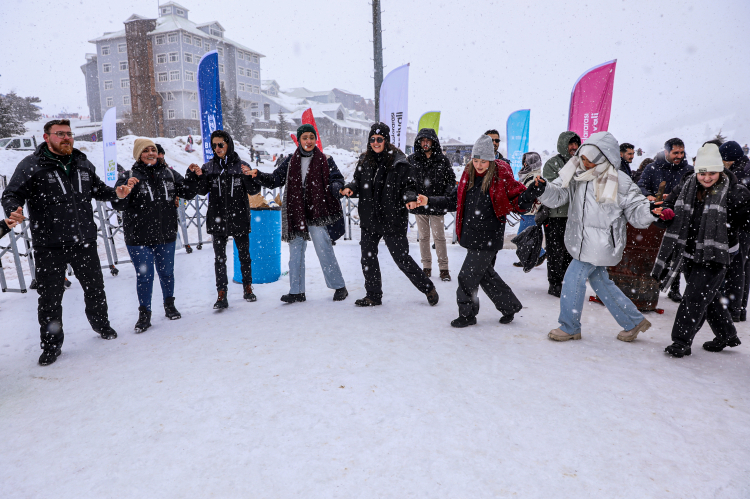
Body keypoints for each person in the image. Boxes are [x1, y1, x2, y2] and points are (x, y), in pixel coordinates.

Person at [1, 119, 136, 366]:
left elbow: (98, 190)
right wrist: (13, 208)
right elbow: (11, 193)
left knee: (95, 289)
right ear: (46, 137)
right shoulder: (31, 165)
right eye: (60, 134)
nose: (66, 138)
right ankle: (51, 345)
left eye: (69, 134)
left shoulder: (82, 163)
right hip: (49, 245)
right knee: (50, 299)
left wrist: (116, 193)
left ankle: (101, 324)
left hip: (83, 241)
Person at [527, 131, 665, 343]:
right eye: (582, 158)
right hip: (581, 239)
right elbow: (559, 195)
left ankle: (570, 326)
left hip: (602, 243)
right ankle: (633, 321)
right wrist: (544, 188)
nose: (584, 163)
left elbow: (635, 208)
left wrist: (649, 211)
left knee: (572, 279)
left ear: (603, 158)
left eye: (589, 160)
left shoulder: (620, 180)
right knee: (601, 282)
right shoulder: (577, 174)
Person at [419, 135, 530, 327]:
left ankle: (467, 314)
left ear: (491, 160)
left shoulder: (499, 178)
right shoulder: (467, 177)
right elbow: (452, 201)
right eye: (476, 160)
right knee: (486, 275)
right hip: (472, 236)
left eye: (483, 161)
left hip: (488, 238)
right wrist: (429, 200)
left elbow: (519, 201)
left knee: (466, 277)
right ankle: (509, 306)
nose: (479, 165)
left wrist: (532, 192)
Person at [653, 143, 750, 357]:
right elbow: (667, 208)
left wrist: (739, 219)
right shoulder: (686, 185)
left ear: (720, 170)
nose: (706, 178)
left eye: (712, 173)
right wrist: (665, 215)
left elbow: (746, 222)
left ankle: (680, 341)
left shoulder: (735, 192)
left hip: (719, 253)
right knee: (708, 294)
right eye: (702, 173)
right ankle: (726, 334)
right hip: (689, 250)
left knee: (694, 296)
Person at [340, 122, 438, 307]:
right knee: (367, 257)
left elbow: (409, 186)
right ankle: (373, 295)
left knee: (401, 258)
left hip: (392, 218)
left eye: (379, 139)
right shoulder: (365, 160)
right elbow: (357, 181)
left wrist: (410, 197)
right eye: (372, 139)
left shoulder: (399, 162)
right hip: (370, 218)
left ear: (386, 140)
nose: (375, 143)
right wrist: (350, 187)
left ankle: (428, 288)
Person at [250, 124, 348, 303]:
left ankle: (339, 286)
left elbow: (337, 179)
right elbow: (275, 179)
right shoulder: (290, 161)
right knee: (295, 252)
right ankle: (297, 291)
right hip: (296, 213)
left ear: (315, 139)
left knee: (324, 249)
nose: (308, 141)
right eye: (305, 138)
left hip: (317, 212)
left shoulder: (326, 159)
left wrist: (337, 188)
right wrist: (258, 175)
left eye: (311, 137)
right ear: (299, 140)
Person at [112, 139, 196, 333]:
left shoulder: (169, 174)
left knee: (167, 273)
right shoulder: (128, 176)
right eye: (146, 150)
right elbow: (118, 204)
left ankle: (169, 305)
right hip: (138, 238)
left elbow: (188, 192)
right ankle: (144, 314)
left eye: (153, 149)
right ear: (138, 154)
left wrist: (193, 177)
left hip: (165, 235)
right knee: (145, 276)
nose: (151, 153)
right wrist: (122, 194)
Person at [184, 130, 261, 309]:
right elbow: (202, 191)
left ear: (228, 144)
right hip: (217, 218)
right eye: (214, 145)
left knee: (244, 255)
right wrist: (198, 175)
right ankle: (221, 293)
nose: (217, 148)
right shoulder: (209, 167)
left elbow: (254, 191)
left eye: (220, 144)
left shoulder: (242, 166)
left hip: (239, 217)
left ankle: (247, 287)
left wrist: (249, 176)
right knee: (219, 258)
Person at [638, 138, 694, 302]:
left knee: (677, 251)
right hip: (656, 215)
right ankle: (650, 285)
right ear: (666, 152)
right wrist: (649, 195)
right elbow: (641, 185)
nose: (679, 156)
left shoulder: (689, 170)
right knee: (656, 252)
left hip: (679, 216)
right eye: (675, 152)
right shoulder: (652, 167)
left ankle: (674, 287)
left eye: (681, 152)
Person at [407, 127, 456, 281]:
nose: (425, 143)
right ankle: (426, 267)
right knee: (423, 237)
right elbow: (407, 183)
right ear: (419, 142)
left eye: (428, 140)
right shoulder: (412, 160)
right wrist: (412, 197)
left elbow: (451, 180)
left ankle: (444, 269)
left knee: (439, 237)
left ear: (434, 142)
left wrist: (445, 197)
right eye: (423, 140)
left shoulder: (442, 160)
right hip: (420, 205)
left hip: (437, 205)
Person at [542, 131, 581, 297]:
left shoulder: (582, 162)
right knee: (555, 251)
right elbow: (552, 188)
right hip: (555, 215)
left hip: (575, 215)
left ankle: (567, 282)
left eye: (576, 144)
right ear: (563, 145)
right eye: (570, 143)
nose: (574, 147)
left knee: (571, 251)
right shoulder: (552, 164)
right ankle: (555, 283)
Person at [719, 140, 750, 321]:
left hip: (741, 227)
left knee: (736, 267)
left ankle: (733, 310)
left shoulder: (739, 174)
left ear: (729, 159)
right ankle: (740, 309)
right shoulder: (745, 168)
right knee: (744, 267)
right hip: (746, 226)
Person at [513, 152, 546, 267]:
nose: (524, 164)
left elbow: (530, 193)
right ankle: (534, 257)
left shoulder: (534, 176)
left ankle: (539, 255)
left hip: (530, 211)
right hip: (528, 211)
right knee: (527, 236)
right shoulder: (530, 174)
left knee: (522, 236)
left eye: (526, 162)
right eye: (524, 161)